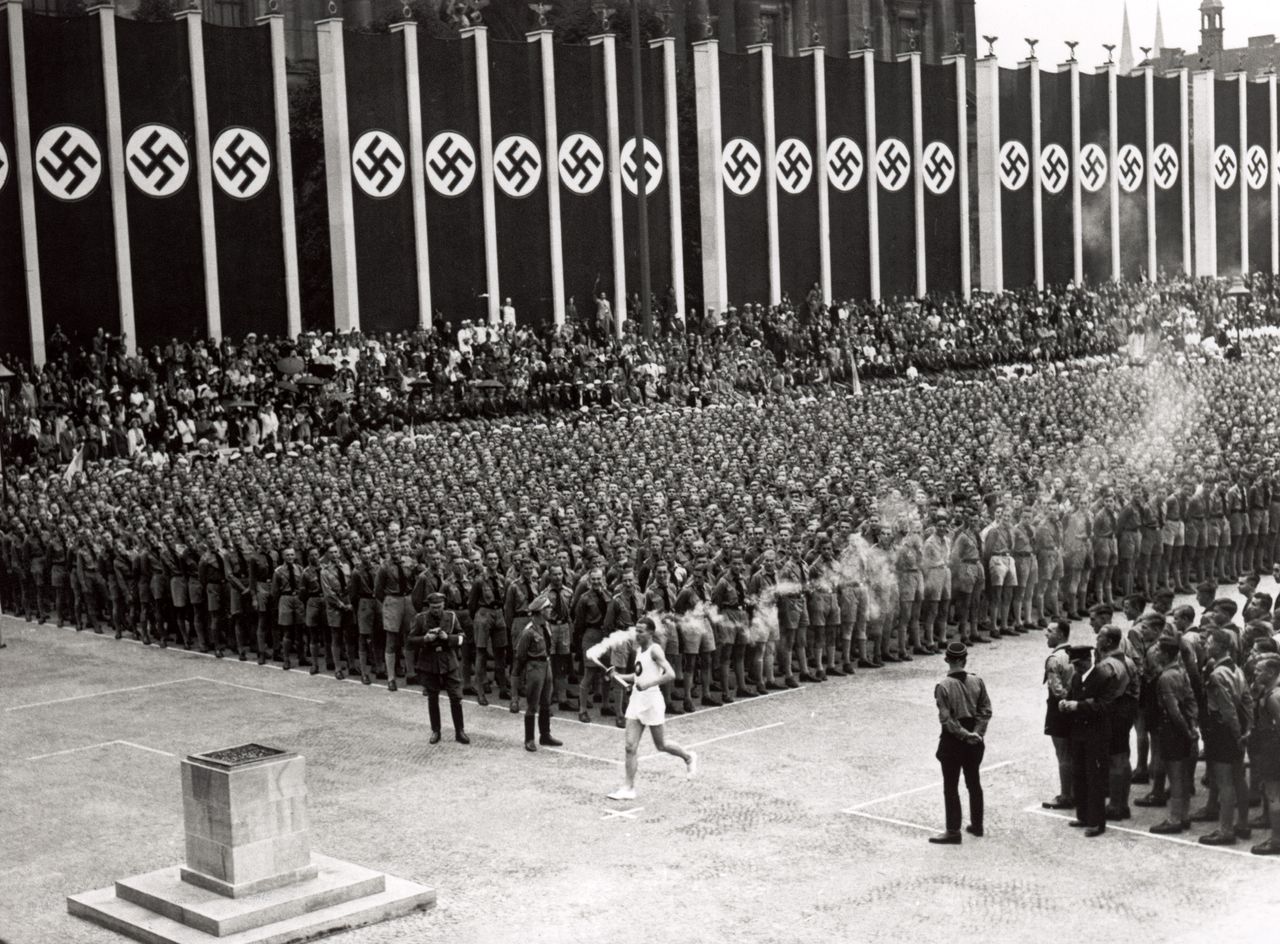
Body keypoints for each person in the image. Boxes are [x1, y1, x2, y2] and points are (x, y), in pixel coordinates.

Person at [597, 617, 697, 801]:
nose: (637, 634)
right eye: (636, 630)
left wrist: (648, 684)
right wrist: (618, 676)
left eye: (641, 631)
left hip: (652, 700)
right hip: (637, 700)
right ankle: (629, 787)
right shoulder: (639, 651)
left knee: (661, 745)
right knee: (629, 747)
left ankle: (688, 757)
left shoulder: (655, 649)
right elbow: (637, 676)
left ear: (651, 632)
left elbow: (670, 674)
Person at [1060, 626, 1127, 837]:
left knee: (1095, 778)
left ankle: (1097, 822)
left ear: (1087, 661)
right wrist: (1066, 703)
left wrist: (1077, 706)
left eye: (1079, 664)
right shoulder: (1077, 678)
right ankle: (1083, 815)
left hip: (1097, 735)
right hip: (1079, 734)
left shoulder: (1104, 676)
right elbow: (1073, 696)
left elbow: (1105, 706)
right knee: (1079, 775)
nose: (1077, 668)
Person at [928, 641, 992, 845]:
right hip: (975, 738)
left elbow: (947, 720)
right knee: (974, 782)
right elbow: (986, 710)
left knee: (951, 785)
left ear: (947, 659)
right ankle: (977, 824)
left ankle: (953, 830)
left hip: (954, 741)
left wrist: (964, 735)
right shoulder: (977, 681)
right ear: (965, 660)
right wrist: (977, 733)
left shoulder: (943, 686)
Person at [405, 592, 469, 744]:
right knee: (432, 698)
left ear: (444, 605)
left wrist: (449, 638)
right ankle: (436, 731)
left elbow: (463, 638)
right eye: (433, 607)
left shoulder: (451, 617)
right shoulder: (420, 619)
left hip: (449, 662)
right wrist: (425, 639)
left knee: (456, 697)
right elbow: (410, 641)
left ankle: (460, 731)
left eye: (439, 607)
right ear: (429, 606)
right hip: (429, 663)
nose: (436, 610)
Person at [513, 593, 563, 752]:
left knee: (546, 703)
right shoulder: (528, 632)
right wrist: (517, 682)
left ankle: (545, 735)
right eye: (547, 607)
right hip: (534, 668)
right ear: (540, 611)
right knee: (532, 705)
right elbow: (520, 657)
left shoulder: (545, 626)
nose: (550, 609)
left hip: (546, 666)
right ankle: (529, 739)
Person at [1041, 619, 1075, 810]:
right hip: (1075, 706)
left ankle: (1066, 795)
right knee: (1072, 752)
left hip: (1059, 709)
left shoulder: (1054, 659)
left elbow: (1057, 689)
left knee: (1063, 754)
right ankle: (1076, 791)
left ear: (1061, 634)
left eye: (1050, 631)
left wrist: (1065, 701)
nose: (1046, 634)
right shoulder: (1075, 654)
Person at [1248, 653, 1280, 855]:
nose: (1255, 673)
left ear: (1271, 672)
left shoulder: (1273, 697)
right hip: (1271, 746)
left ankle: (1276, 840)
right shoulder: (1270, 692)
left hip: (1273, 749)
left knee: (1274, 796)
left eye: (1259, 670)